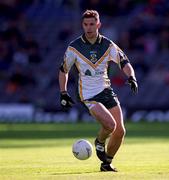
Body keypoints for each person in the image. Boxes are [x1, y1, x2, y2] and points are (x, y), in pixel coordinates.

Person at [59, 10, 138, 172]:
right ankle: (100, 142)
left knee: (120, 131)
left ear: (98, 25)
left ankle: (106, 163)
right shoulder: (74, 47)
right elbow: (63, 70)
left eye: (92, 24)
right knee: (110, 125)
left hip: (106, 90)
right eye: (85, 24)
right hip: (87, 94)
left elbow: (124, 62)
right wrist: (63, 92)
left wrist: (131, 77)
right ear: (82, 25)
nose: (88, 28)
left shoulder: (108, 45)